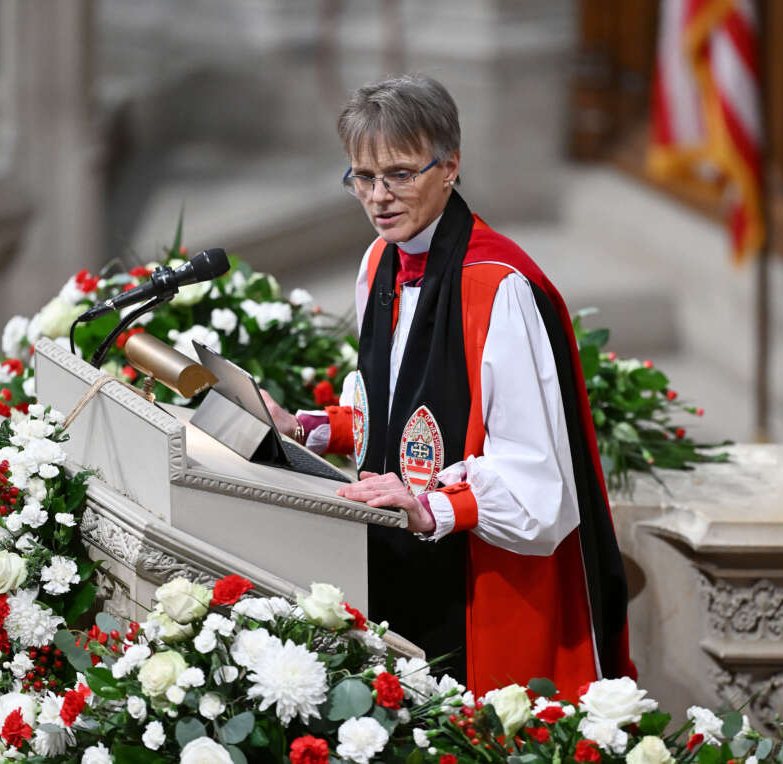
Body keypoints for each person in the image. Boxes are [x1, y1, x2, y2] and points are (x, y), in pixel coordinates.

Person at [261, 74, 634, 692]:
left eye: (401, 174)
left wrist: (429, 507)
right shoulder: (381, 260)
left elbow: (539, 487)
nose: (379, 197)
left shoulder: (500, 290)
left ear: (450, 167)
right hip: (392, 565)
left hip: (483, 589)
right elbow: (401, 415)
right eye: (363, 177)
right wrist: (306, 428)